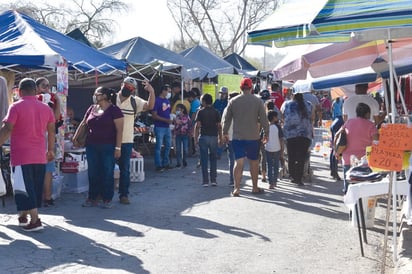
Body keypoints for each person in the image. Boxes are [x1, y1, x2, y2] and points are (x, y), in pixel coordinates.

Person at [0, 78, 55, 231]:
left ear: (19, 91)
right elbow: (51, 131)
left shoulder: (16, 107)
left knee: (23, 188)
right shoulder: (46, 108)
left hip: (21, 155)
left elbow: (7, 129)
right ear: (35, 90)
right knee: (34, 188)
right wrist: (51, 150)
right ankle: (23, 217)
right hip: (40, 155)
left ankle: (35, 220)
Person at [222, 78, 269, 196]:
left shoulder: (233, 101)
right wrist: (266, 133)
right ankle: (254, 187)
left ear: (240, 88)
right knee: (254, 162)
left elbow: (227, 119)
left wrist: (224, 133)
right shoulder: (258, 101)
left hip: (238, 137)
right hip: (253, 136)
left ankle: (236, 189)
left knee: (239, 163)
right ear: (251, 88)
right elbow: (264, 120)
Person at [79, 87, 124, 209]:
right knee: (93, 172)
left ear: (105, 95)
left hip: (108, 146)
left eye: (97, 94)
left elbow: (120, 130)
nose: (94, 96)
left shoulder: (115, 110)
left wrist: (118, 148)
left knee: (107, 172)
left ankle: (107, 198)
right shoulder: (92, 108)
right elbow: (84, 123)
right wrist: (76, 137)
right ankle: (92, 197)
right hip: (91, 145)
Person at [115, 77, 155, 205]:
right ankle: (104, 194)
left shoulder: (134, 101)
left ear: (133, 90)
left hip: (126, 141)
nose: (128, 89)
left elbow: (149, 106)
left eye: (131, 88)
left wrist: (151, 92)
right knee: (106, 167)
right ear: (121, 85)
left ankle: (124, 195)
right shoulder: (111, 98)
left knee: (124, 169)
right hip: (110, 140)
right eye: (126, 86)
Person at [337, 103, 378, 193]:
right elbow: (376, 141)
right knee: (363, 185)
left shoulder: (348, 122)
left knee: (348, 183)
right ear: (367, 113)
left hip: (347, 158)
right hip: (364, 160)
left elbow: (338, 135)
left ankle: (349, 201)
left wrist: (337, 153)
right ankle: (359, 204)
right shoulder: (371, 125)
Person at [35, 77, 61, 208]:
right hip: (37, 138)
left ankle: (47, 197)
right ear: (37, 88)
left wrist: (58, 101)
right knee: (40, 169)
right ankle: (41, 198)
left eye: (48, 86)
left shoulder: (50, 101)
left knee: (48, 169)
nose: (47, 88)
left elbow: (55, 118)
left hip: (47, 138)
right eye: (44, 86)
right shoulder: (35, 101)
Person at [281, 92, 313, 186]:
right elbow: (312, 117)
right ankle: (298, 178)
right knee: (301, 157)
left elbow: (282, 115)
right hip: (305, 134)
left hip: (291, 134)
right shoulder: (309, 104)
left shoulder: (287, 104)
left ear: (293, 97)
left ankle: (293, 175)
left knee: (291, 156)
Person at [194, 93, 222, 186]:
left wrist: (195, 138)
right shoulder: (216, 112)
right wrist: (220, 138)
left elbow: (197, 126)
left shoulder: (200, 112)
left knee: (204, 159)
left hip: (204, 137)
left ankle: (205, 181)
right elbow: (219, 126)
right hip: (214, 137)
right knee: (213, 159)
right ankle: (213, 180)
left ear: (204, 101)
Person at [152, 85, 173, 171]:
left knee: (168, 145)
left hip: (167, 127)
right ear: (163, 91)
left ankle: (166, 163)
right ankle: (158, 165)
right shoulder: (157, 101)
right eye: (168, 91)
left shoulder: (167, 101)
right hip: (159, 126)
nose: (169, 93)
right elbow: (154, 115)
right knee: (158, 147)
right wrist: (165, 120)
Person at [222, 90, 240, 186]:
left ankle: (232, 180)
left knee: (232, 160)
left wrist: (223, 135)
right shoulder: (241, 109)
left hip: (230, 137)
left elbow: (223, 123)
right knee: (238, 160)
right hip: (239, 138)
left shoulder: (226, 109)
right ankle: (236, 180)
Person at [265, 110, 284, 189]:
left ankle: (270, 183)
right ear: (274, 118)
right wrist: (282, 149)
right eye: (276, 116)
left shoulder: (266, 127)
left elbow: (263, 138)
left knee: (269, 166)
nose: (277, 118)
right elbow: (281, 139)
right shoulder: (278, 127)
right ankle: (275, 181)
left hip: (268, 148)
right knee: (276, 165)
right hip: (277, 149)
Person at [173, 103, 192, 168]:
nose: (177, 111)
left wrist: (190, 133)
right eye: (177, 110)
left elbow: (189, 124)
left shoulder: (186, 116)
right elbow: (175, 125)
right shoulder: (176, 117)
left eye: (178, 109)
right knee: (178, 149)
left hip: (185, 135)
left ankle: (184, 160)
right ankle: (178, 162)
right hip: (178, 134)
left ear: (182, 110)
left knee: (185, 149)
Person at [329, 115, 344, 180]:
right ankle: (334, 172)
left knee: (334, 148)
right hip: (340, 123)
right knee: (337, 148)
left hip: (336, 121)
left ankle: (333, 171)